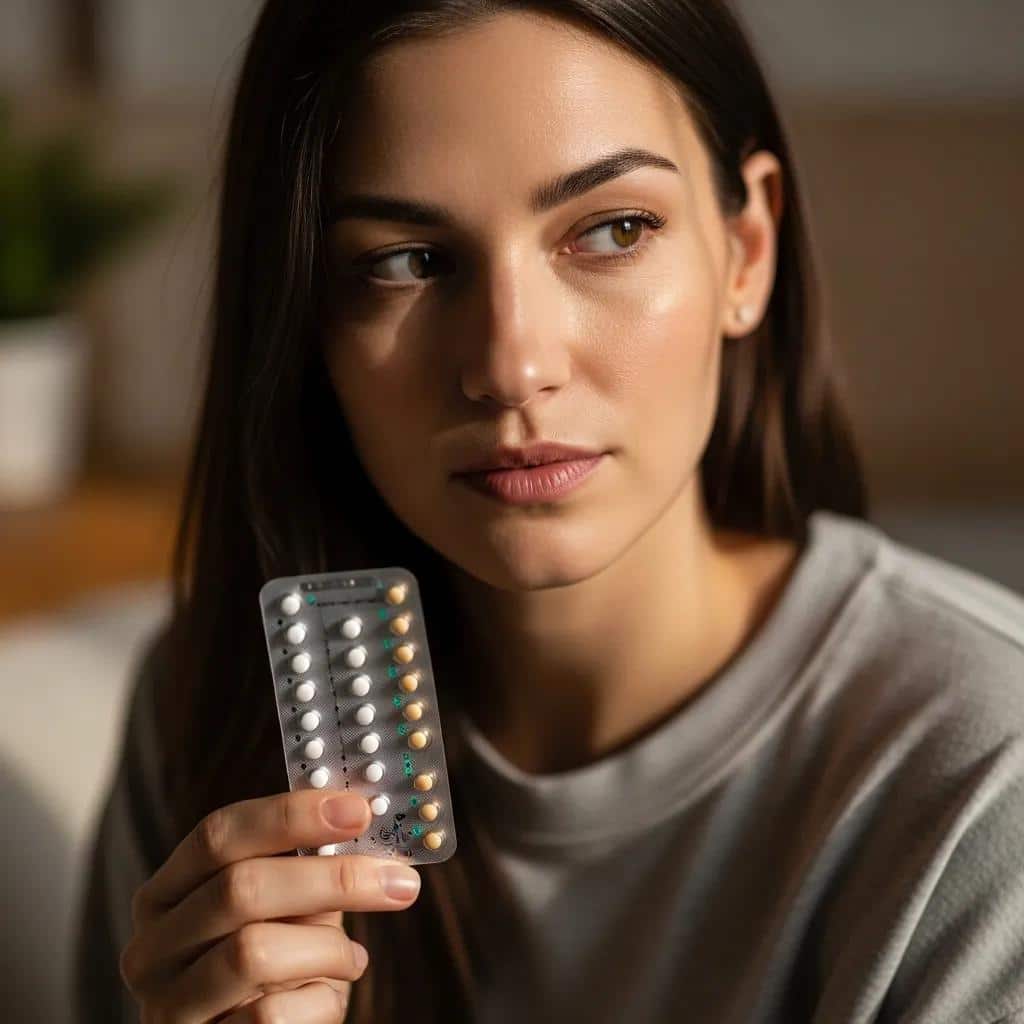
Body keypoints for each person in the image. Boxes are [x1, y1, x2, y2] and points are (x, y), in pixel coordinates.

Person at [74, 2, 1024, 1022]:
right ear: (306, 317)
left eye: (613, 230)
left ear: (744, 250)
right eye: (406, 260)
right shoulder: (208, 712)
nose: (512, 364)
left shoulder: (981, 775)